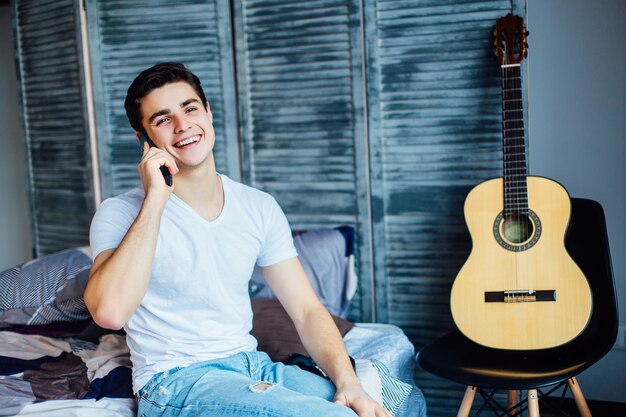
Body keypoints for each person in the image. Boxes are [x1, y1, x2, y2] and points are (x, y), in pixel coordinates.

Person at [84, 62, 391, 417]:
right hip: (176, 380)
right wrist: (155, 198)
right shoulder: (120, 213)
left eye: (190, 108)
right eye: (163, 119)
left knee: (370, 405)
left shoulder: (258, 206)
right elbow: (108, 312)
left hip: (251, 364)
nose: (183, 126)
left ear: (208, 112)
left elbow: (307, 311)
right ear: (145, 141)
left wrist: (348, 381)